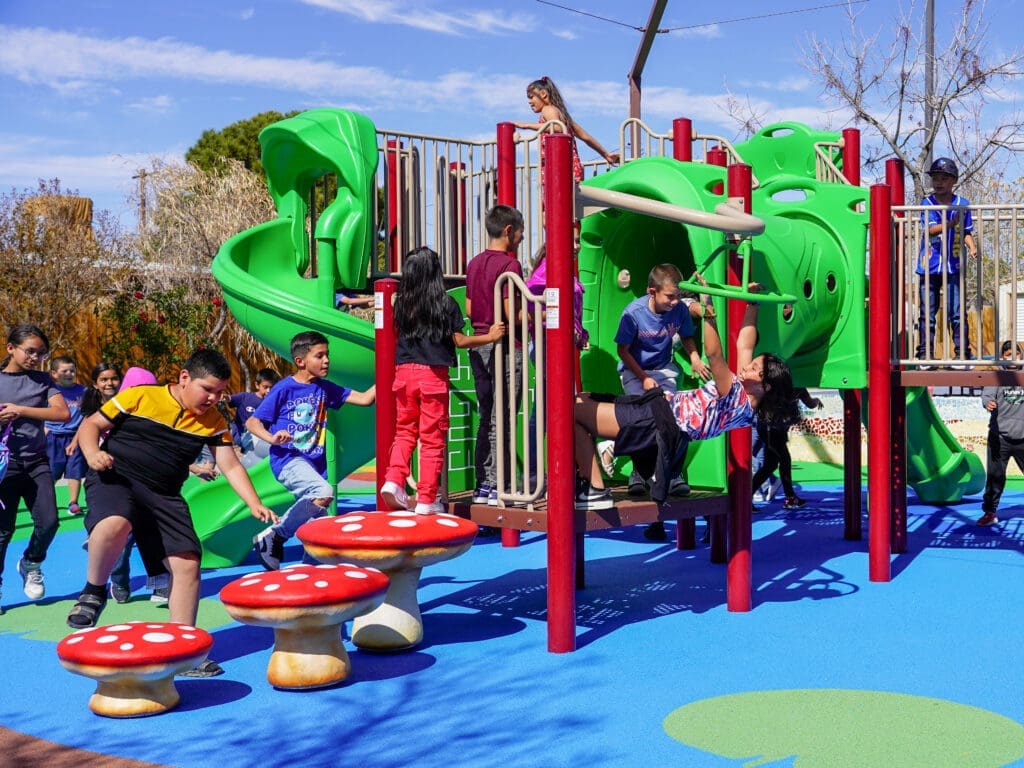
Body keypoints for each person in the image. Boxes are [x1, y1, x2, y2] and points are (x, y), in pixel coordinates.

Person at [67, 349, 277, 678]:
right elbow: (90, 426)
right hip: (116, 478)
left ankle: (184, 650)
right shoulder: (141, 397)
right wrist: (92, 453)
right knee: (115, 524)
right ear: (183, 378)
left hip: (163, 494)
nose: (214, 397)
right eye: (207, 389)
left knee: (188, 565)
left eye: (220, 391)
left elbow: (230, 464)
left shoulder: (214, 421)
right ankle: (93, 593)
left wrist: (254, 502)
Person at [573, 279, 798, 511]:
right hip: (659, 409)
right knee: (582, 400)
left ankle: (595, 489)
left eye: (753, 369)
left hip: (656, 421)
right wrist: (753, 304)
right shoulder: (747, 401)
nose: (746, 368)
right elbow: (744, 345)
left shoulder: (734, 394)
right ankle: (590, 485)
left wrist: (708, 310)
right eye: (751, 364)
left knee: (572, 411)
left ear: (765, 386)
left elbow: (713, 354)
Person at [380, 247, 505, 514]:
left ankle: (393, 479)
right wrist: (490, 337)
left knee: (405, 432)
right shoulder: (445, 304)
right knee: (432, 438)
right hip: (432, 375)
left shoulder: (401, 303)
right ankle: (426, 498)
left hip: (403, 374)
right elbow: (459, 341)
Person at [248, 331, 376, 570]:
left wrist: (392, 369)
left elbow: (366, 399)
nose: (327, 360)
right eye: (320, 356)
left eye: (327, 355)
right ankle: (275, 534)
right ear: (300, 361)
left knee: (322, 534)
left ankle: (310, 571)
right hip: (288, 459)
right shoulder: (284, 389)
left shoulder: (325, 388)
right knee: (324, 491)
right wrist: (273, 439)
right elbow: (253, 423)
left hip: (314, 464)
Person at [614, 264, 712, 507]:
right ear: (652, 291)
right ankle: (639, 471)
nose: (675, 301)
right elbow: (623, 351)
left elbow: (686, 334)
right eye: (670, 296)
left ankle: (674, 473)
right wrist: (644, 378)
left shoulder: (677, 309)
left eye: (678, 295)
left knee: (672, 417)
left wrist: (694, 357)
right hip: (635, 370)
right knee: (643, 418)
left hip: (664, 369)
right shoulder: (634, 313)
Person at [0, 324, 70, 611]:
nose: (35, 358)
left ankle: (31, 561)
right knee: (3, 531)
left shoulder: (43, 381)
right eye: (30, 351)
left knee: (50, 521)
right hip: (5, 467)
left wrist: (20, 410)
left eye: (41, 353)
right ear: (10, 348)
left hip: (37, 462)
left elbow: (62, 413)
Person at [465, 205, 525, 505]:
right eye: (521, 233)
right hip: (503, 344)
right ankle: (495, 483)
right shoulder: (510, 266)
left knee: (487, 415)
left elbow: (468, 307)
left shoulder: (474, 263)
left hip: (478, 342)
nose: (521, 239)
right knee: (504, 417)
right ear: (509, 231)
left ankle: (484, 483)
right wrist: (535, 313)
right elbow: (510, 312)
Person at [915, 157, 978, 362]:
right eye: (935, 178)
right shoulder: (928, 203)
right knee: (928, 311)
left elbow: (966, 231)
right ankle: (926, 352)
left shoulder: (963, 205)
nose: (939, 183)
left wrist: (972, 246)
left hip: (953, 265)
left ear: (953, 181)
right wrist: (950, 224)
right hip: (930, 266)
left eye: (944, 178)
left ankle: (961, 351)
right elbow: (930, 229)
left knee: (957, 311)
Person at [513, 75, 620, 182]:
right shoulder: (564, 115)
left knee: (554, 198)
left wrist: (525, 125)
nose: (529, 101)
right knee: (571, 198)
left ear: (543, 94)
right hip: (571, 167)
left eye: (531, 97)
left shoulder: (547, 109)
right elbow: (586, 137)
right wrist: (606, 155)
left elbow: (557, 126)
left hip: (558, 168)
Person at [751, 387, 823, 511]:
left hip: (772, 429)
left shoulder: (796, 388)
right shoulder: (787, 387)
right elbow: (810, 403)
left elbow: (810, 403)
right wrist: (816, 401)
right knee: (784, 461)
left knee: (771, 465)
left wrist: (816, 401)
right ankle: (790, 498)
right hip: (771, 430)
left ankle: (744, 498)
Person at [977, 340, 1024, 527]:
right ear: (1002, 357)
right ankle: (990, 512)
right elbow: (987, 394)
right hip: (1000, 437)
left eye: (1016, 354)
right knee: (995, 477)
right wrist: (987, 403)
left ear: (1021, 356)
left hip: (1023, 438)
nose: (1012, 357)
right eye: (1007, 354)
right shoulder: (996, 376)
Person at [44, 355, 87, 516]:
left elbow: (87, 414)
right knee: (52, 471)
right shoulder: (50, 391)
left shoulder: (84, 391)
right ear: (54, 373)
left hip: (75, 438)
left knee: (74, 471)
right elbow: (41, 411)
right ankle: (47, 503)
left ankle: (73, 502)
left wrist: (80, 436)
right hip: (53, 437)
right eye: (64, 371)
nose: (69, 373)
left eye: (72, 370)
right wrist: (45, 430)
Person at [228, 368, 281, 455]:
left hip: (263, 436)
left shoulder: (274, 403)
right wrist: (224, 397)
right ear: (257, 385)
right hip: (244, 434)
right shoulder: (245, 397)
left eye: (272, 387)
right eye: (265, 387)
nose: (268, 391)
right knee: (256, 428)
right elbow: (230, 398)